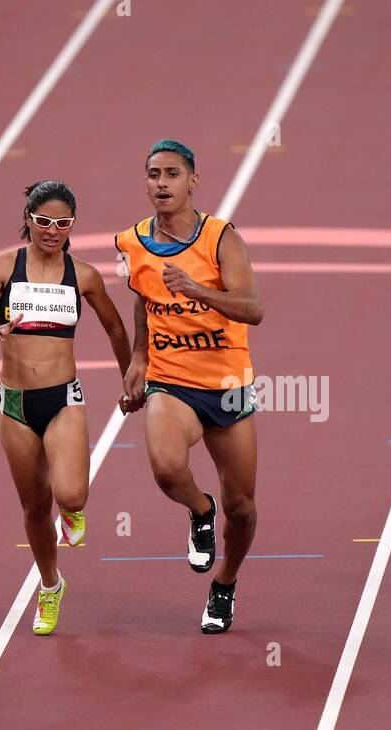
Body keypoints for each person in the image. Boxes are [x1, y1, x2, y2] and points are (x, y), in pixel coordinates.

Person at [0, 180, 132, 634]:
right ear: (29, 221)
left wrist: (131, 378)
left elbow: (116, 329)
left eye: (62, 223)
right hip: (14, 403)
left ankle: (73, 510)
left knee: (70, 494)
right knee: (35, 507)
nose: (52, 230)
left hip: (62, 398)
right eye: (43, 222)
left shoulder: (85, 275)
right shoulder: (2, 266)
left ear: (72, 225)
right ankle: (51, 587)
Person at [115, 140, 264, 634]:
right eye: (153, 173)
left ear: (193, 181)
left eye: (172, 174)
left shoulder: (222, 238)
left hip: (226, 382)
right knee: (165, 467)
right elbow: (143, 298)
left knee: (242, 508)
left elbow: (253, 309)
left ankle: (225, 582)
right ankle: (201, 511)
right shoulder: (134, 242)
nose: (161, 183)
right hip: (171, 377)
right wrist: (139, 356)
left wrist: (197, 289)